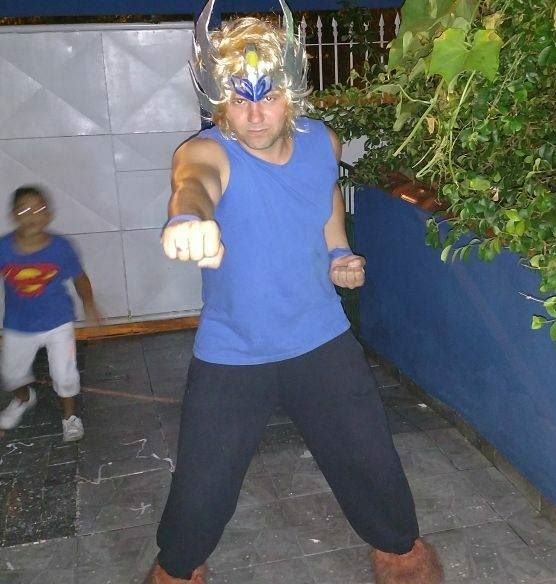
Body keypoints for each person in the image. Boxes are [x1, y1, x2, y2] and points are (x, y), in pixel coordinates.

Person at [148, 2, 444, 583]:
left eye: (269, 97)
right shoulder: (207, 150)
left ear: (292, 93)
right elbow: (193, 182)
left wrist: (337, 252)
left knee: (375, 473)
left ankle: (401, 559)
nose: (255, 115)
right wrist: (187, 218)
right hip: (233, 352)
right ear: (219, 101)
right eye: (239, 99)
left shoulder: (321, 141)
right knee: (199, 499)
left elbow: (324, 195)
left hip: (321, 341)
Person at [0, 185, 100, 442]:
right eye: (24, 209)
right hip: (18, 324)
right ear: (13, 215)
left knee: (65, 374)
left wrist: (89, 304)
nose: (32, 215)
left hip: (57, 322)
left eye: (38, 209)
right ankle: (23, 398)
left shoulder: (60, 248)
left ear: (49, 214)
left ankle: (70, 417)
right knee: (11, 374)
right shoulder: (4, 248)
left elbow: (79, 278)